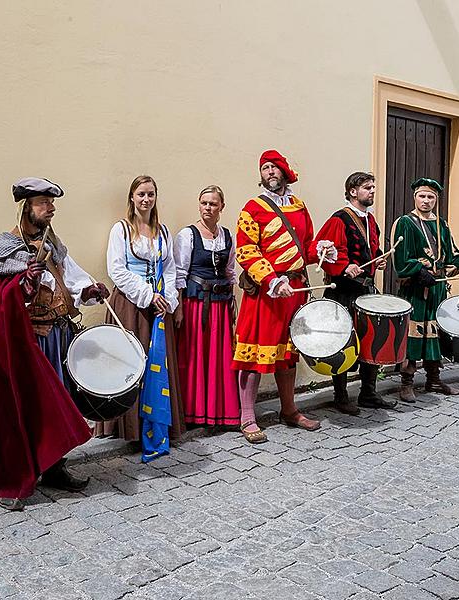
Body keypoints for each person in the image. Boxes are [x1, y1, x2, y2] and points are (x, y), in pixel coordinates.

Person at [0, 177, 102, 510]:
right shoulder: (5, 248)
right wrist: (22, 284)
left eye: (51, 203)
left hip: (58, 336)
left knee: (56, 408)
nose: (50, 209)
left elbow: (72, 278)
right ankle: (18, 478)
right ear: (26, 207)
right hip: (27, 341)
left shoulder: (53, 246)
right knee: (27, 408)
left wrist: (88, 290)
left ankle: (54, 467)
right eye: (43, 203)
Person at [233, 150, 330, 443]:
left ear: (285, 172)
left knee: (288, 354)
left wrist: (321, 251)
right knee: (253, 354)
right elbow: (246, 250)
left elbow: (305, 247)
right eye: (265, 168)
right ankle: (247, 417)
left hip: (295, 292)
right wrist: (272, 280)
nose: (270, 173)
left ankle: (289, 410)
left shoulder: (299, 207)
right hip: (266, 293)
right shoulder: (252, 208)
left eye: (274, 168)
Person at [97, 175, 185, 455]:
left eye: (150, 194)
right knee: (130, 364)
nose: (146, 199)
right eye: (141, 194)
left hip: (159, 308)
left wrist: (168, 298)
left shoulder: (163, 231)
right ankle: (130, 427)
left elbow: (170, 268)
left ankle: (157, 420)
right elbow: (117, 269)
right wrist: (147, 295)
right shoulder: (121, 230)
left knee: (156, 365)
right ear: (132, 198)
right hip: (131, 305)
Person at [314, 171, 396, 415]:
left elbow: (372, 250)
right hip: (344, 293)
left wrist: (378, 261)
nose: (372, 191)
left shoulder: (371, 221)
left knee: (372, 341)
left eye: (373, 187)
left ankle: (368, 394)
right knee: (343, 344)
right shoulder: (339, 219)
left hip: (366, 291)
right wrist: (342, 266)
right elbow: (323, 253)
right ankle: (340, 396)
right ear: (352, 191)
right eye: (367, 188)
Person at [392, 177, 459, 402]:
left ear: (436, 199)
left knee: (435, 334)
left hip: (437, 289)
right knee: (413, 334)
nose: (426, 200)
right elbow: (401, 260)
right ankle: (406, 383)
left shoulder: (442, 225)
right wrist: (419, 271)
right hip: (416, 290)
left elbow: (451, 254)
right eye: (422, 196)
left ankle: (433, 379)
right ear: (415, 197)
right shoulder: (405, 223)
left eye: (431, 197)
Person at [173, 185, 240, 428]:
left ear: (222, 206)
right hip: (195, 304)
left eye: (213, 203)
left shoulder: (227, 236)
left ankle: (219, 412)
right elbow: (179, 274)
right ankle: (194, 412)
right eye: (204, 203)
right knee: (195, 357)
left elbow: (230, 272)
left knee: (219, 359)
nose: (208, 208)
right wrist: (178, 308)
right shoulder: (187, 235)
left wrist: (233, 305)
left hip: (220, 306)